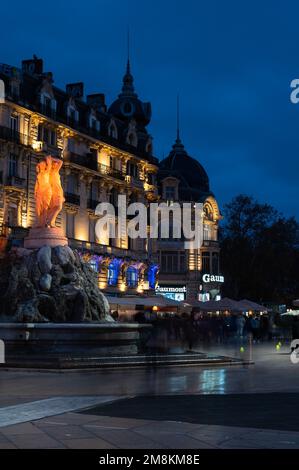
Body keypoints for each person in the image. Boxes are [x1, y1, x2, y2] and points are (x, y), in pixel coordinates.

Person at [34, 156, 52, 227]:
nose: (42, 165)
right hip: (39, 191)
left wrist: (48, 160)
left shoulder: (46, 172)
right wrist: (35, 191)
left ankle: (44, 222)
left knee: (45, 207)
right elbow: (37, 183)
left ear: (45, 166)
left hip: (46, 191)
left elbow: (49, 166)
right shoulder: (38, 174)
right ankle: (39, 221)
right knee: (38, 208)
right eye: (41, 164)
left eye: (43, 165)